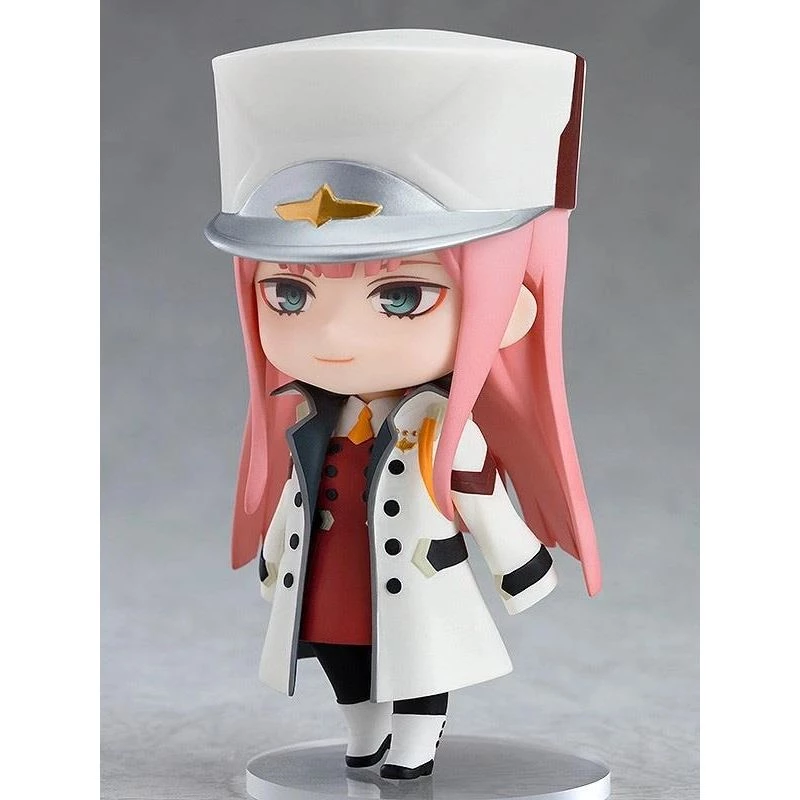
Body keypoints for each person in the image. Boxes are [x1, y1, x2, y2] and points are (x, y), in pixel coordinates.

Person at [205, 30, 601, 780]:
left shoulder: (441, 429)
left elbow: (479, 496)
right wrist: (275, 557)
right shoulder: (311, 419)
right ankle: (364, 735)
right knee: (337, 654)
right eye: (288, 294)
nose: (333, 337)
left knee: (421, 660)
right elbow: (295, 497)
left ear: (510, 310)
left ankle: (413, 749)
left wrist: (520, 568)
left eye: (400, 297)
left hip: (415, 574)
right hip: (331, 573)